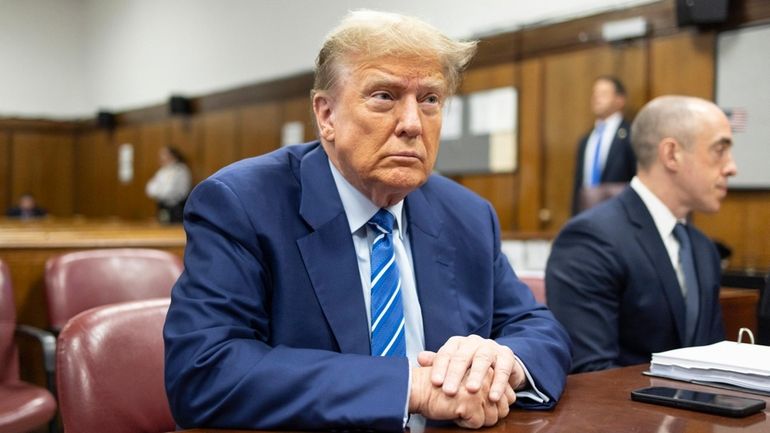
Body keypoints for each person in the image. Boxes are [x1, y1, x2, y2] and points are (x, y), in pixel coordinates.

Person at [163, 10, 571, 432]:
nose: (412, 124)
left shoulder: (466, 213)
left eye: (430, 99)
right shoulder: (242, 205)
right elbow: (205, 371)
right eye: (384, 96)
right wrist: (410, 386)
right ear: (326, 116)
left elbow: (536, 328)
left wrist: (503, 364)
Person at [546, 95, 736, 373]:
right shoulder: (590, 240)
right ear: (672, 154)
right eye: (720, 150)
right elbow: (593, 375)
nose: (732, 167)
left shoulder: (702, 249)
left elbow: (712, 361)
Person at [571, 76, 636, 214]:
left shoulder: (631, 134)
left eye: (604, 94)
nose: (596, 98)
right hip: (586, 215)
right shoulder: (586, 139)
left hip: (619, 215)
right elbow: (578, 186)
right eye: (595, 94)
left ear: (620, 100)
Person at [145, 145, 192, 223]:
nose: (161, 157)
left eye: (164, 154)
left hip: (176, 208)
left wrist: (159, 191)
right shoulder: (162, 171)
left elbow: (169, 191)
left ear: (172, 156)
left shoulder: (180, 170)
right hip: (162, 206)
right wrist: (159, 191)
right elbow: (150, 189)